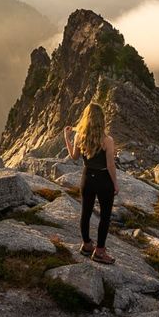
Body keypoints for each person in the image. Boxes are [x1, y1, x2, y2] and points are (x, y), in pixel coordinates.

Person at [63, 102, 119, 264]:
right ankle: (100, 252)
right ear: (102, 119)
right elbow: (110, 165)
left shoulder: (79, 136)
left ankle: (87, 245)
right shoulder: (107, 140)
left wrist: (67, 138)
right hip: (103, 179)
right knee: (105, 216)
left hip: (87, 177)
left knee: (86, 213)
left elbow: (74, 157)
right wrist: (115, 183)